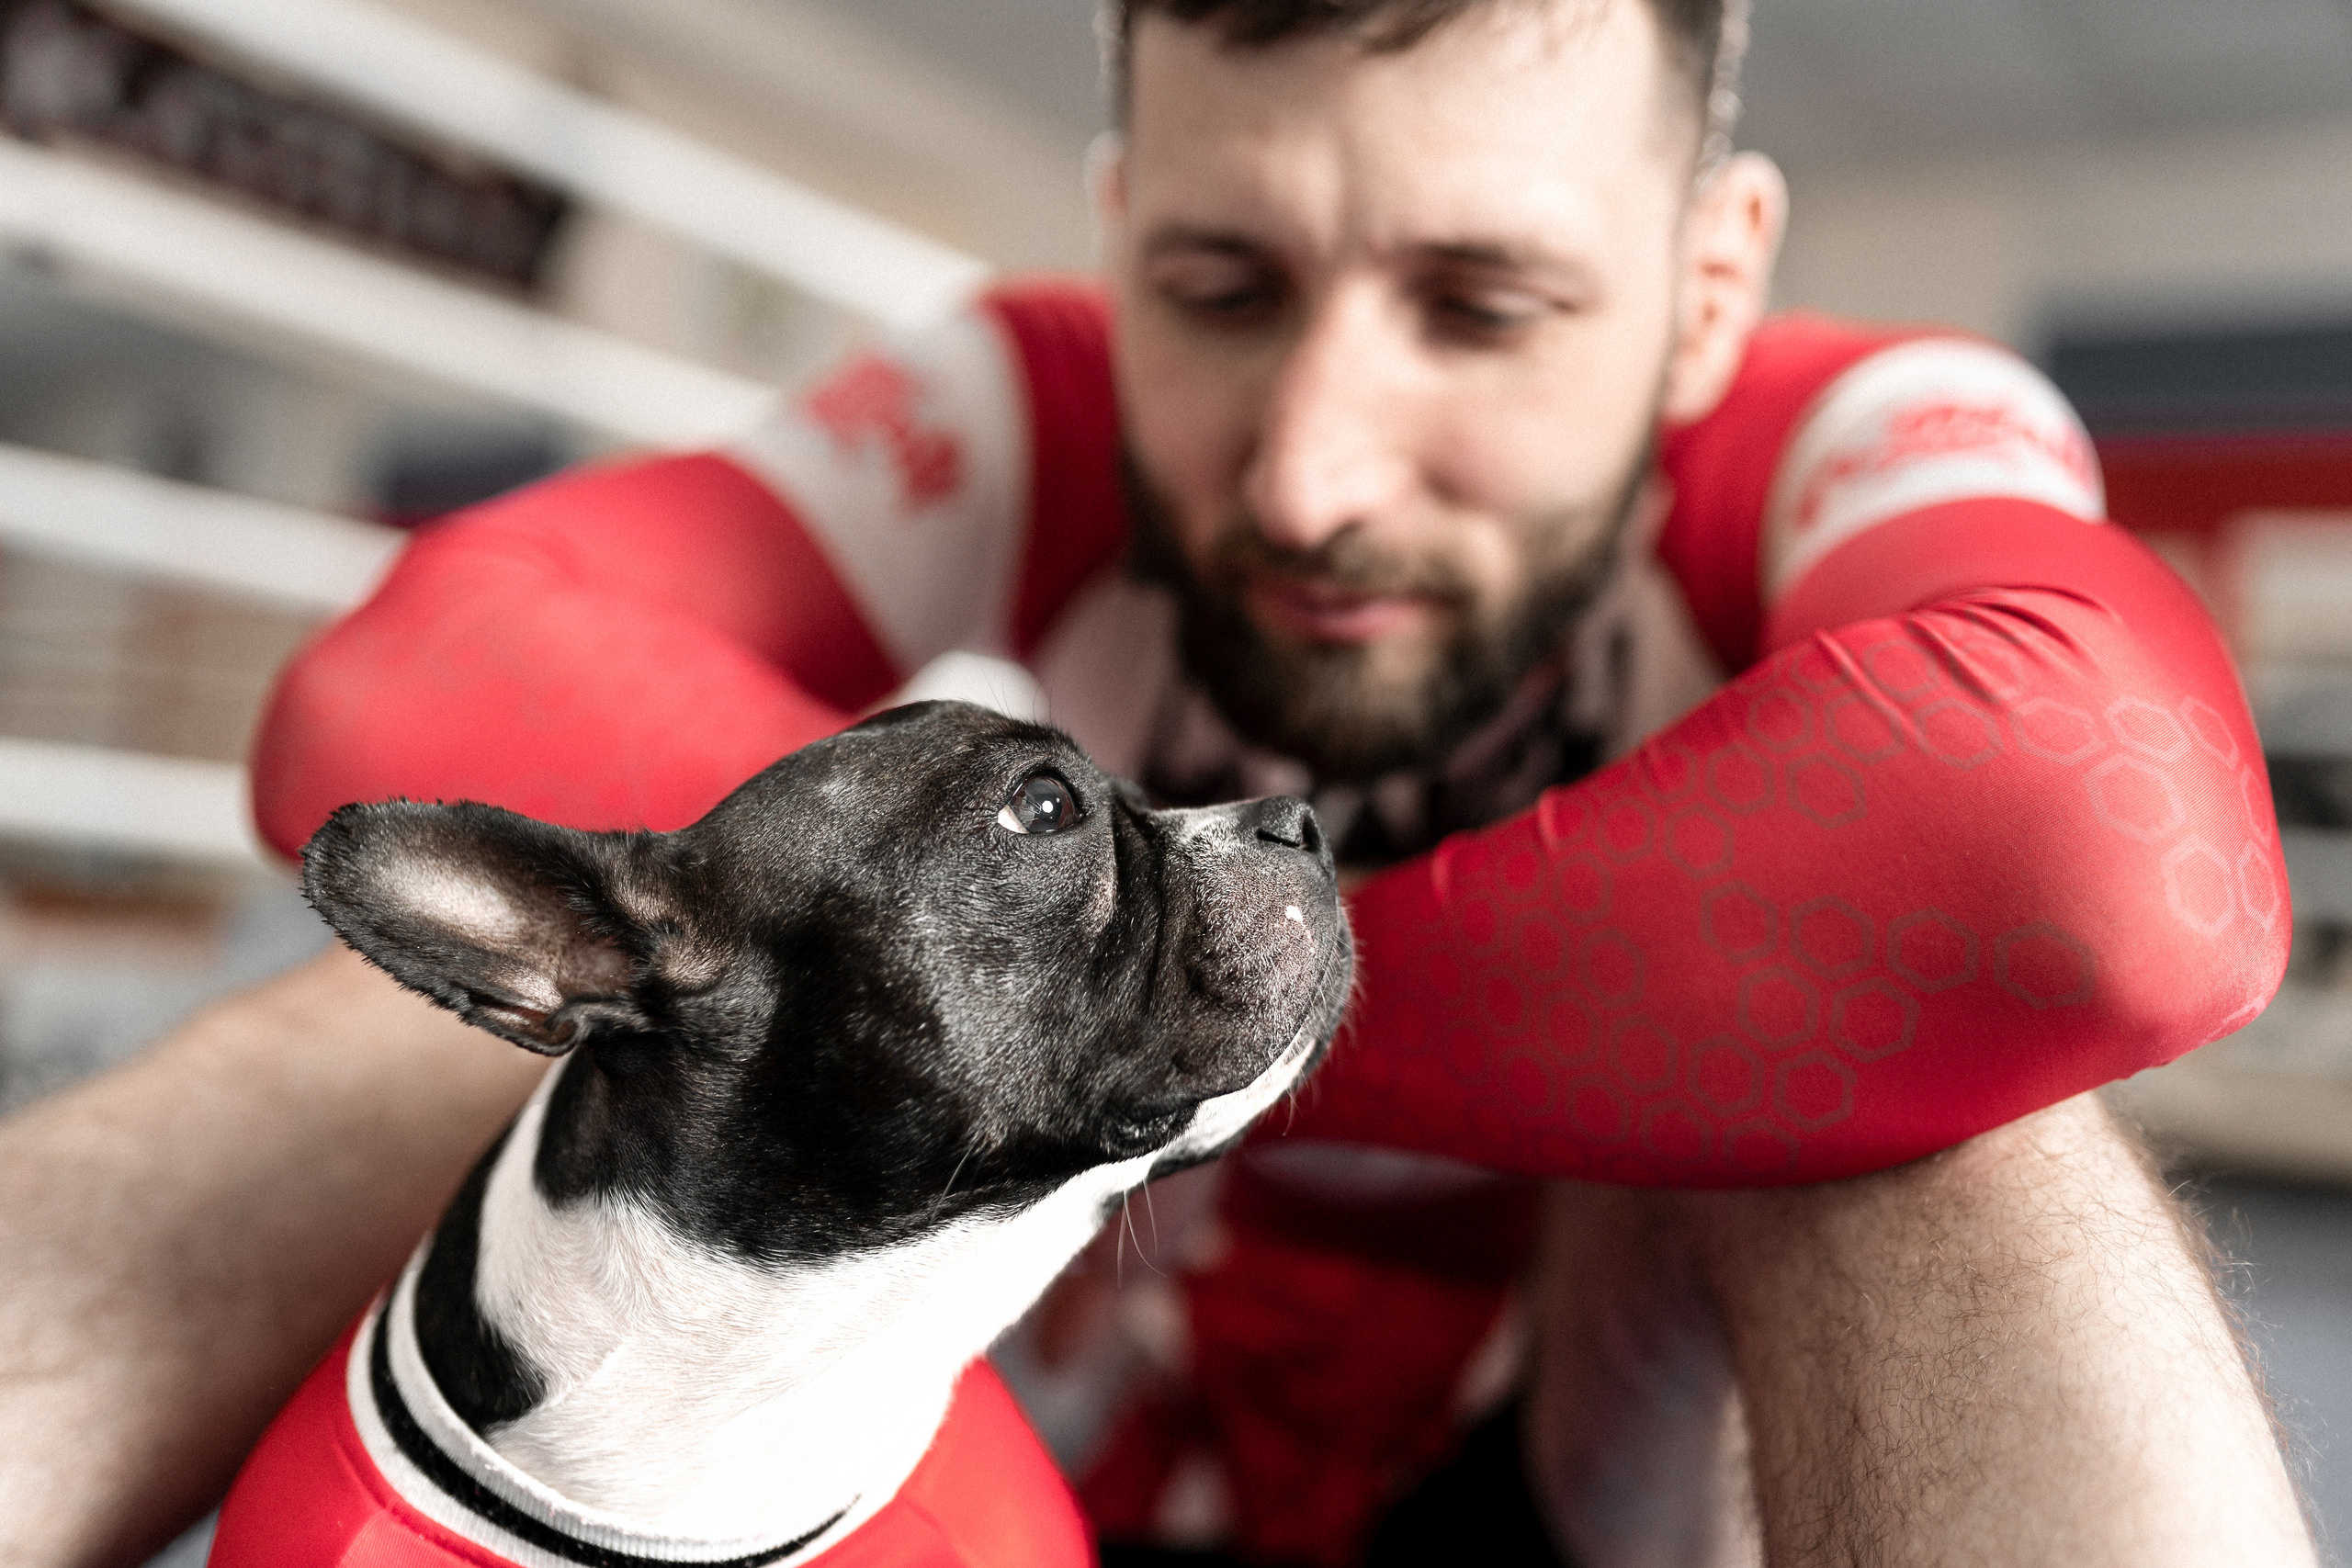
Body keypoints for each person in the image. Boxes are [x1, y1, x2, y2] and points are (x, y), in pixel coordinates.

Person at [0, 1, 2318, 1564]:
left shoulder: (1835, 440)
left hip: (1541, 1487)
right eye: (1217, 286)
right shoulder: (1029, 408)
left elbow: (2110, 868)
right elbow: (392, 702)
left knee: (1947, 1091)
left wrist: (1208, 1006)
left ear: (1705, 287)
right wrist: (956, 974)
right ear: (1113, 244)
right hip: (967, 1446)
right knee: (618, 982)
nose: (1310, 471)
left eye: (1482, 306)